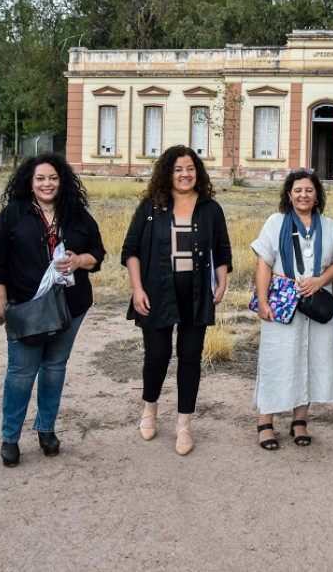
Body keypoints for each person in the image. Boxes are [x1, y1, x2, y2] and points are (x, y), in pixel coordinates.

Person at [0, 154, 105, 468]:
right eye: (40, 178)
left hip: (70, 307)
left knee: (54, 368)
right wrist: (1, 302)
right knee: (21, 373)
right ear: (30, 181)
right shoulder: (14, 214)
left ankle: (46, 429)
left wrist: (78, 261)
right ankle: (10, 438)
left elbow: (98, 254)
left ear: (61, 181)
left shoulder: (76, 215)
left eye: (52, 178)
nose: (47, 184)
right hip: (26, 307)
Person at [121, 145, 232, 456]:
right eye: (178, 169)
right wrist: (137, 288)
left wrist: (222, 280)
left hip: (196, 295)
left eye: (190, 169)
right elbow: (130, 250)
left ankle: (184, 425)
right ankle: (150, 410)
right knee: (157, 356)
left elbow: (222, 251)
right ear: (167, 174)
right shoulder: (150, 207)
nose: (185, 175)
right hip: (156, 293)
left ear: (198, 172)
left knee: (190, 358)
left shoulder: (211, 209)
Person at [251, 170, 333, 450]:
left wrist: (320, 280)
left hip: (317, 302)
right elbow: (264, 264)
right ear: (289, 195)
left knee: (311, 360)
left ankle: (299, 421)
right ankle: (265, 422)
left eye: (308, 190)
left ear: (317, 194)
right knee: (276, 359)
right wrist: (263, 302)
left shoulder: (329, 226)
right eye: (297, 190)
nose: (303, 195)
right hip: (282, 304)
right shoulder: (275, 222)